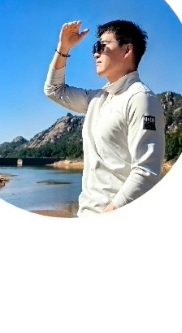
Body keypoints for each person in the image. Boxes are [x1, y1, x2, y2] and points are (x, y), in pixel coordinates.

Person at [44, 18, 168, 213]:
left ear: (127, 51)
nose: (96, 53)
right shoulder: (97, 99)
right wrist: (63, 48)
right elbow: (54, 90)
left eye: (103, 46)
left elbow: (146, 172)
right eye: (96, 46)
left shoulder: (140, 99)